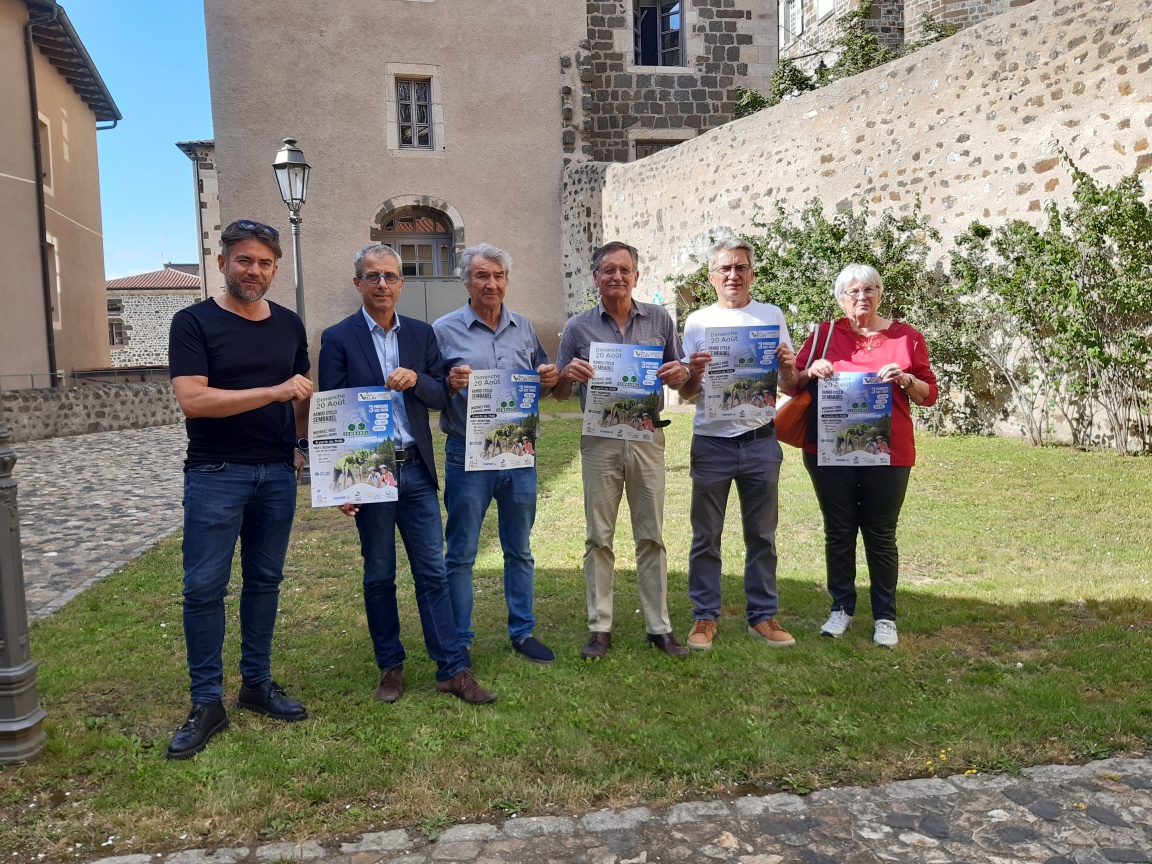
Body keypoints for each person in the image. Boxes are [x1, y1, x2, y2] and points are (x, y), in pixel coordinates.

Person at [318, 244, 496, 703]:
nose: (382, 285)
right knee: (379, 574)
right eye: (373, 276)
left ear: (402, 283)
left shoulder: (420, 335)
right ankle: (390, 666)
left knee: (432, 573)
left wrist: (418, 380)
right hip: (371, 472)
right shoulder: (338, 338)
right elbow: (334, 413)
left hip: (414, 469)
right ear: (358, 282)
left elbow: (441, 397)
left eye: (391, 277)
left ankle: (453, 669)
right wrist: (342, 482)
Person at [165, 219, 313, 760]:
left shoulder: (290, 324)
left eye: (265, 263)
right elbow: (194, 400)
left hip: (276, 474)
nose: (254, 271)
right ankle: (206, 702)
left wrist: (301, 447)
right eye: (244, 260)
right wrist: (272, 392)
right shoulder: (193, 322)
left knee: (265, 581)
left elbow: (301, 394)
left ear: (276, 268)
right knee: (204, 589)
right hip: (214, 472)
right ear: (224, 262)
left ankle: (256, 683)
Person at [780, 264, 938, 647]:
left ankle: (885, 616)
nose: (861, 297)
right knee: (838, 531)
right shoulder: (823, 334)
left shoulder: (907, 337)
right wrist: (811, 370)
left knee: (881, 534)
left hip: (889, 452)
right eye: (852, 291)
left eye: (870, 289)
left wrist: (904, 378)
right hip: (829, 449)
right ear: (840, 298)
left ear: (882, 293)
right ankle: (841, 609)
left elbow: (928, 394)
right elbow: (792, 382)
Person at [553, 241, 692, 660]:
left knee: (651, 534)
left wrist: (681, 371)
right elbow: (559, 393)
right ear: (595, 277)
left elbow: (680, 378)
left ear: (636, 276)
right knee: (599, 536)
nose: (616, 277)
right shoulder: (577, 328)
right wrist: (565, 375)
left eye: (624, 270)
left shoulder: (661, 320)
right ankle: (600, 626)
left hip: (648, 438)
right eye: (608, 270)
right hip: (599, 442)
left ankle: (659, 626)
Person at [433, 243, 558, 666]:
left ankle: (522, 632)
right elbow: (430, 392)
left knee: (519, 548)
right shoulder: (443, 330)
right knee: (462, 552)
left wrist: (549, 377)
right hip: (468, 455)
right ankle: (460, 642)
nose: (491, 283)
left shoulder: (524, 327)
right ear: (466, 281)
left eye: (499, 276)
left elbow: (544, 381)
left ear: (507, 280)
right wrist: (449, 382)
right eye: (482, 276)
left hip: (520, 454)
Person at [679, 235, 798, 652]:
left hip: (761, 441)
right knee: (706, 535)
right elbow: (687, 393)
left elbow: (790, 383)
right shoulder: (696, 321)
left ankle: (762, 616)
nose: (733, 275)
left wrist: (787, 368)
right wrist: (692, 373)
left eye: (741, 267)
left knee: (762, 535)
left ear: (752, 272)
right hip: (712, 443)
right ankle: (704, 617)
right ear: (712, 276)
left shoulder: (770, 315)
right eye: (725, 268)